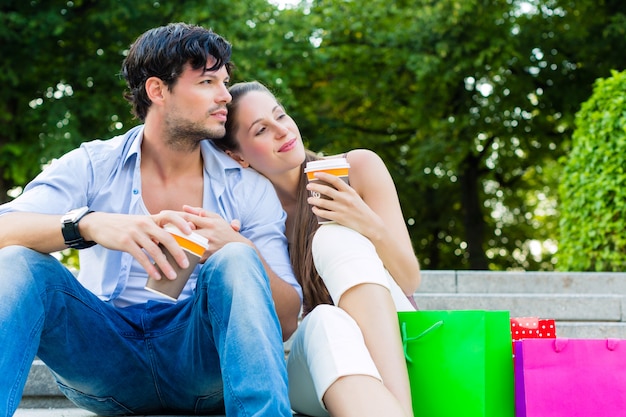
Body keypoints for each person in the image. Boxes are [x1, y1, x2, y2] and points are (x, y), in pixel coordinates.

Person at [0, 24, 301, 417]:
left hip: (201, 362)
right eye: (208, 81)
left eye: (224, 82)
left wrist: (237, 249)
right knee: (16, 262)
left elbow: (288, 318)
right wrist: (89, 224)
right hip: (104, 360)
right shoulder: (93, 163)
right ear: (158, 90)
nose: (225, 95)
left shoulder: (247, 187)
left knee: (238, 259)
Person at [215, 81, 421, 417]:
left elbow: (410, 281)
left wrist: (365, 222)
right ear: (237, 155)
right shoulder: (247, 215)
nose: (282, 131)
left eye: (280, 115)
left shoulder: (359, 168)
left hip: (399, 347)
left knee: (333, 236)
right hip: (324, 364)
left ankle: (400, 406)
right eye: (262, 130)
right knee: (325, 318)